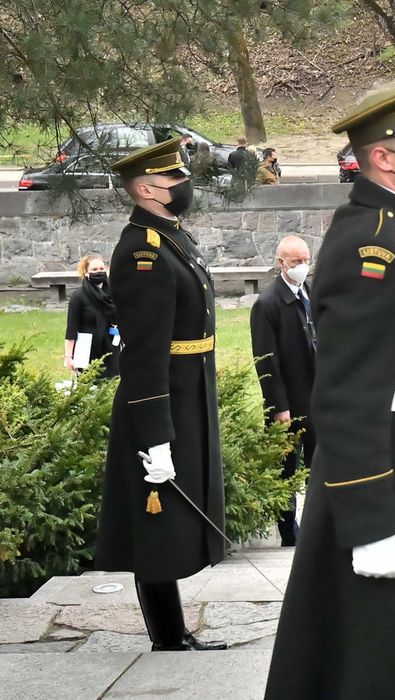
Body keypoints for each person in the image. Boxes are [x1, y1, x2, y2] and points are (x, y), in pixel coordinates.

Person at [261, 78, 395, 700]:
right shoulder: (370, 241)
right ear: (383, 154)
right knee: (387, 643)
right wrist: (372, 522)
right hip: (394, 461)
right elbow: (347, 394)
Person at [96, 139, 226, 652]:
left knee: (168, 521)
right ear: (147, 189)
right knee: (155, 524)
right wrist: (155, 437)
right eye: (175, 180)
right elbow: (145, 353)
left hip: (189, 388)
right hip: (161, 399)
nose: (184, 186)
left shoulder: (170, 237)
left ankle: (173, 631)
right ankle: (167, 636)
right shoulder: (142, 251)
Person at [249, 235, 317, 547]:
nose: (303, 266)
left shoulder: (309, 292)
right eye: (296, 262)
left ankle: (319, 525)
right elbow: (266, 362)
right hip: (288, 404)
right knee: (287, 471)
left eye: (306, 260)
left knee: (319, 468)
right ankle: (288, 532)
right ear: (281, 263)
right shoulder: (267, 304)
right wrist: (279, 407)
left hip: (316, 400)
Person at [64, 252, 120, 379]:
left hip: (111, 347)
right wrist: (69, 357)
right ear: (86, 272)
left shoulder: (114, 293)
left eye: (101, 269)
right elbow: (71, 329)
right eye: (94, 269)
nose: (99, 272)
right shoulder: (78, 297)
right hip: (87, 350)